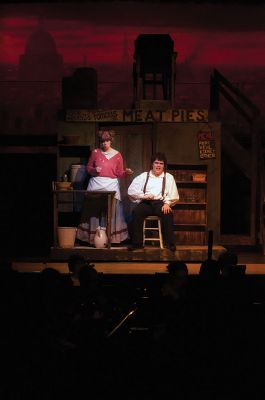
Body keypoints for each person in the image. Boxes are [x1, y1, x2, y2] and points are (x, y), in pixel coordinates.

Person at [76, 129, 133, 246]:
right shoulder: (95, 152)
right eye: (102, 141)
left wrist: (126, 173)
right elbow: (88, 168)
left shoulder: (117, 155)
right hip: (96, 184)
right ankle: (92, 238)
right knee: (93, 211)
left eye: (107, 141)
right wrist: (94, 170)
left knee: (111, 212)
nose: (104, 143)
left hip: (111, 185)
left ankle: (111, 239)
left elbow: (119, 173)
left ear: (111, 141)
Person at [127, 152, 179, 251]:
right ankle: (137, 243)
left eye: (161, 163)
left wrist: (167, 204)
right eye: (156, 163)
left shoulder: (168, 177)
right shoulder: (144, 176)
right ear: (152, 164)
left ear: (164, 165)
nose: (158, 165)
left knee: (167, 213)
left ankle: (169, 243)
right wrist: (144, 196)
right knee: (136, 212)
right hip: (146, 203)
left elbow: (173, 193)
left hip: (160, 203)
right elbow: (131, 191)